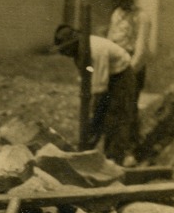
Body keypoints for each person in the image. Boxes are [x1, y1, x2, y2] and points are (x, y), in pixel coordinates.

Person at [53, 24, 136, 165]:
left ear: (74, 43)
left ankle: (115, 158)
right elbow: (88, 75)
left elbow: (100, 85)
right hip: (106, 75)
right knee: (97, 117)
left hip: (121, 74)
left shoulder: (96, 50)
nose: (64, 54)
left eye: (65, 49)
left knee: (114, 115)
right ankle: (86, 151)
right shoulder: (78, 54)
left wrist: (93, 106)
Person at [107, 0, 151, 151]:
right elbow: (110, 42)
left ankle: (130, 149)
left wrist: (129, 73)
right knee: (111, 106)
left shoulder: (142, 17)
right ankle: (111, 149)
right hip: (114, 66)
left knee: (129, 106)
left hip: (132, 67)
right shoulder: (116, 14)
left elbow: (141, 49)